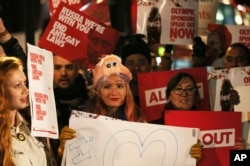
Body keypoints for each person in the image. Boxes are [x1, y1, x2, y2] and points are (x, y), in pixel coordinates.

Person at [58, 55, 203, 161]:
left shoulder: (140, 120)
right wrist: (64, 148)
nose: (114, 92)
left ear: (127, 89)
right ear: (98, 91)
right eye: (107, 86)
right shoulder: (82, 120)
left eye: (120, 86)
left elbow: (158, 158)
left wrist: (188, 154)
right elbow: (71, 159)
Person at [0, 56, 56, 165]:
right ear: (2, 92)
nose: (26, 90)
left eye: (24, 83)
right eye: (17, 86)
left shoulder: (35, 122)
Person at [52, 55, 90, 163]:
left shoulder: (92, 101)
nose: (63, 73)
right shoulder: (45, 104)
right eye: (57, 67)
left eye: (69, 67)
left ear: (77, 69)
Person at [121, 34, 152, 106]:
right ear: (123, 67)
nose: (136, 68)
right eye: (131, 63)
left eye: (142, 63)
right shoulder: (117, 96)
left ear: (149, 65)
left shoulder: (160, 95)